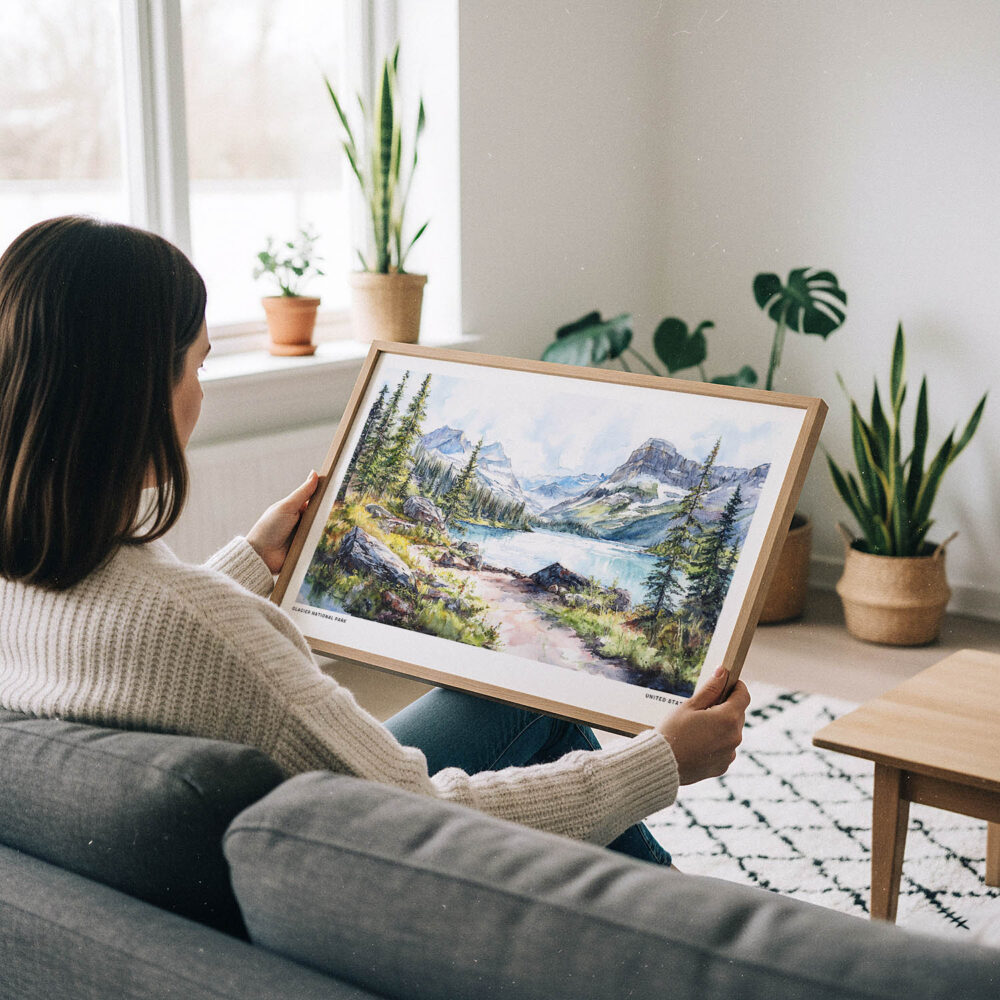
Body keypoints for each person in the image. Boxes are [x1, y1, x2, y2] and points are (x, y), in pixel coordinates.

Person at [0, 216, 749, 866]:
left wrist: (249, 564)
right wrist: (660, 762)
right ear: (135, 394)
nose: (202, 392)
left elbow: (139, 638)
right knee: (547, 719)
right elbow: (418, 817)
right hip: (360, 861)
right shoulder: (207, 630)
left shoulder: (27, 580)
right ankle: (694, 937)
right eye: (198, 365)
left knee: (508, 700)